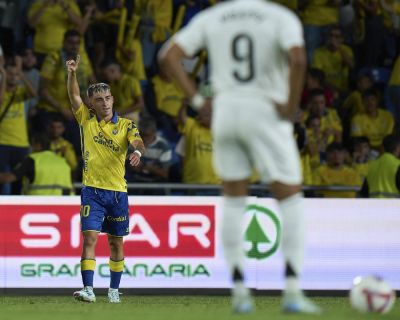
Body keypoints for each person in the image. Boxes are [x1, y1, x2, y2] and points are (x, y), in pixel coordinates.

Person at [159, 0, 321, 314]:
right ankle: (291, 290)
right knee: (289, 197)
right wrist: (289, 106)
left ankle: (239, 292)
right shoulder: (280, 16)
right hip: (266, 110)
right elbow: (298, 60)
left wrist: (196, 101)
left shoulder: (214, 16)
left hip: (227, 112)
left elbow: (169, 55)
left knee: (234, 198)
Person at [66, 55, 144, 303]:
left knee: (116, 244)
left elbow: (138, 141)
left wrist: (137, 152)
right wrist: (72, 74)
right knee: (89, 237)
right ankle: (88, 290)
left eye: (108, 98)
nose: (105, 103)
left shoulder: (126, 125)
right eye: (99, 100)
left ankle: (113, 291)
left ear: (113, 99)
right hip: (92, 190)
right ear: (92, 103)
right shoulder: (86, 120)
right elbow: (73, 96)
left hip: (117, 192)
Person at [0, 58, 37, 195]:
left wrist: (22, 75)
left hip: (21, 143)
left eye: (15, 74)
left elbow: (33, 94)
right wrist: (3, 76)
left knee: (18, 182)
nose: (13, 77)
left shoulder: (21, 90)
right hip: (2, 143)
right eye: (10, 74)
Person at [0, 132, 73, 195]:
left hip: (40, 204)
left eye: (32, 144)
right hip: (66, 206)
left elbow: (7, 178)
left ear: (38, 145)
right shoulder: (62, 161)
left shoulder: (32, 160)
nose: (31, 148)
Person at [360, 134, 400, 198]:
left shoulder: (372, 165)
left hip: (374, 206)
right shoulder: (397, 165)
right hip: (393, 206)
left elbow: (364, 193)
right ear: (397, 147)